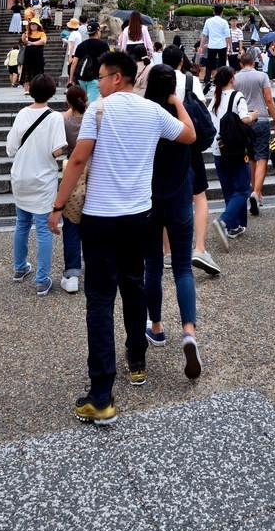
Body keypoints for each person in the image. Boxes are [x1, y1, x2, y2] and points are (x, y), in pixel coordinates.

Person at [48, 51, 196, 424]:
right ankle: (136, 362)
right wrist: (177, 102)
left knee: (99, 300)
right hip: (139, 215)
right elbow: (190, 135)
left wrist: (57, 204)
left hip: (100, 217)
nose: (96, 81)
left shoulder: (99, 110)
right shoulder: (153, 112)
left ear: (117, 78)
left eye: (100, 75)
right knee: (134, 285)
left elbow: (78, 160)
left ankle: (101, 394)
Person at [143, 65, 202, 379]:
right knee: (182, 268)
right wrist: (178, 102)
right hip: (180, 199)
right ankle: (189, 332)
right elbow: (192, 137)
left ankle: (156, 327)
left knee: (152, 266)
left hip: (150, 202)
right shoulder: (179, 116)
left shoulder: (146, 114)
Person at [161, 45, 220, 277]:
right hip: (188, 140)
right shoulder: (189, 79)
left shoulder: (155, 77)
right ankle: (199, 248)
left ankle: (167, 252)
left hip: (163, 142)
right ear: (180, 62)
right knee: (199, 195)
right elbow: (201, 108)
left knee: (163, 195)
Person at [6, 73, 66, 296]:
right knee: (43, 228)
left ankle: (19, 268)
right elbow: (57, 150)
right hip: (42, 179)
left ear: (30, 90)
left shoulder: (22, 113)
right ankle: (42, 280)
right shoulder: (55, 118)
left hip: (21, 176)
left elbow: (11, 148)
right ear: (52, 93)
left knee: (21, 223)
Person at [209, 66, 257, 250]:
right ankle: (223, 221)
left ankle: (234, 226)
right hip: (235, 150)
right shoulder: (237, 96)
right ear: (231, 79)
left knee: (229, 189)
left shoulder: (215, 98)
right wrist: (252, 116)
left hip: (218, 149)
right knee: (243, 189)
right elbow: (244, 119)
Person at [234, 51, 275, 216]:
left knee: (251, 158)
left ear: (241, 64)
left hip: (244, 120)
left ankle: (255, 190)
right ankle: (257, 192)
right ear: (253, 63)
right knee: (262, 157)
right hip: (261, 119)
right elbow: (269, 99)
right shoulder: (262, 76)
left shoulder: (236, 78)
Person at [59, 84, 87, 293]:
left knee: (70, 223)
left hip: (72, 171)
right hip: (93, 171)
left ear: (68, 102)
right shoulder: (94, 120)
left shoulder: (64, 122)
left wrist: (70, 106)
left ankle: (72, 274)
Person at [70, 21, 110, 104]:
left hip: (81, 78)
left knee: (83, 100)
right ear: (97, 32)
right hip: (94, 78)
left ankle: (82, 115)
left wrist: (71, 79)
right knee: (91, 103)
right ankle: (88, 116)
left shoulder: (81, 45)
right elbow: (107, 62)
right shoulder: (103, 45)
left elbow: (74, 62)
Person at [200, 4, 231, 93]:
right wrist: (230, 47)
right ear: (222, 12)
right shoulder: (224, 22)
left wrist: (201, 46)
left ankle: (210, 82)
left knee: (210, 65)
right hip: (222, 45)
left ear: (214, 11)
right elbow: (227, 36)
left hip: (212, 45)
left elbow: (204, 34)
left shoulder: (208, 21)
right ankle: (220, 83)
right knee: (222, 66)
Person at [21, 18, 47, 95]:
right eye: (31, 24)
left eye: (34, 24)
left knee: (38, 71)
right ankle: (26, 89)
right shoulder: (27, 33)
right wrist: (24, 38)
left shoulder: (41, 33)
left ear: (38, 25)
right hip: (28, 55)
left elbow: (43, 41)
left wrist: (32, 43)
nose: (33, 26)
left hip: (38, 55)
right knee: (26, 71)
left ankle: (37, 88)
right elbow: (25, 42)